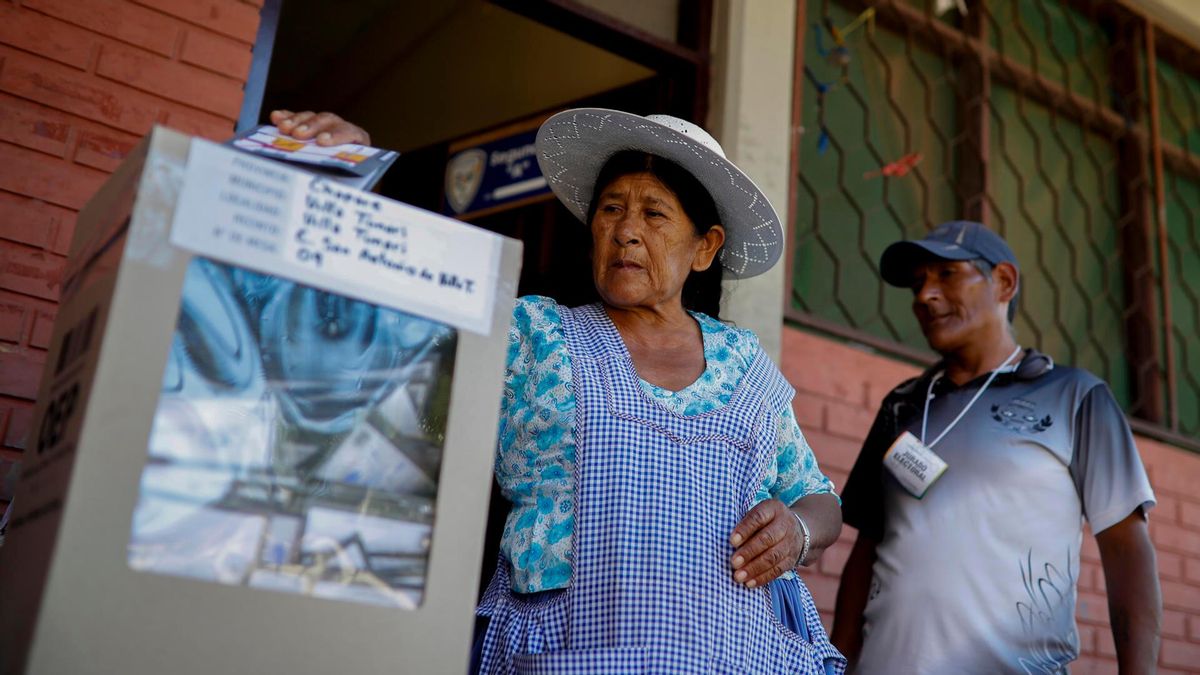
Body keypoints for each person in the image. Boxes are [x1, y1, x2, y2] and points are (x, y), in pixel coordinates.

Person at [271, 108, 847, 673]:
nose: (626, 231)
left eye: (655, 214)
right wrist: (350, 183)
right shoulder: (533, 334)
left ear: (705, 247)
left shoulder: (744, 362)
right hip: (561, 652)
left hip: (736, 657)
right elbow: (393, 347)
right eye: (612, 208)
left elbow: (819, 500)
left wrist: (796, 533)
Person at [830, 221, 1161, 674]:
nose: (924, 295)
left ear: (1003, 282)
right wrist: (838, 662)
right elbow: (868, 549)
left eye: (946, 275)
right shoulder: (901, 406)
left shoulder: (1074, 396)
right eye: (918, 282)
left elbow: (1127, 549)